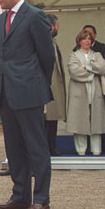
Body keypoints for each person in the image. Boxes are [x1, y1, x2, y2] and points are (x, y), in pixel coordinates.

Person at [0, 0, 54, 209]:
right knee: (14, 148)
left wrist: (37, 82)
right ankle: (20, 196)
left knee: (36, 147)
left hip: (29, 91)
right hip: (7, 91)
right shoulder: (0, 20)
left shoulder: (35, 16)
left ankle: (41, 199)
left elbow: (47, 56)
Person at [66, 30, 105, 155]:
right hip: (79, 93)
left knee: (96, 120)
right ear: (79, 41)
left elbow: (102, 68)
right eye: (84, 39)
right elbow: (74, 72)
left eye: (89, 39)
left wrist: (86, 66)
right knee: (80, 120)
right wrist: (92, 72)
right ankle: (81, 149)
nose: (87, 41)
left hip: (95, 92)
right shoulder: (73, 55)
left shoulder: (97, 55)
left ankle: (96, 149)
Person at [82, 25, 105, 154]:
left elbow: (102, 68)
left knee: (101, 118)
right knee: (86, 117)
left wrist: (86, 66)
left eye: (90, 34)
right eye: (85, 35)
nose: (88, 38)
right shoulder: (76, 50)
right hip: (84, 89)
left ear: (95, 35)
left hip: (100, 87)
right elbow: (76, 70)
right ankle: (88, 146)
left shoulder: (102, 48)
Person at [45, 14, 66, 156]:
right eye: (57, 25)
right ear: (52, 26)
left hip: (55, 88)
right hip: (47, 88)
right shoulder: (43, 42)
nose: (58, 28)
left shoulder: (54, 42)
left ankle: (52, 146)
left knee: (52, 120)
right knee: (46, 121)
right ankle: (47, 148)